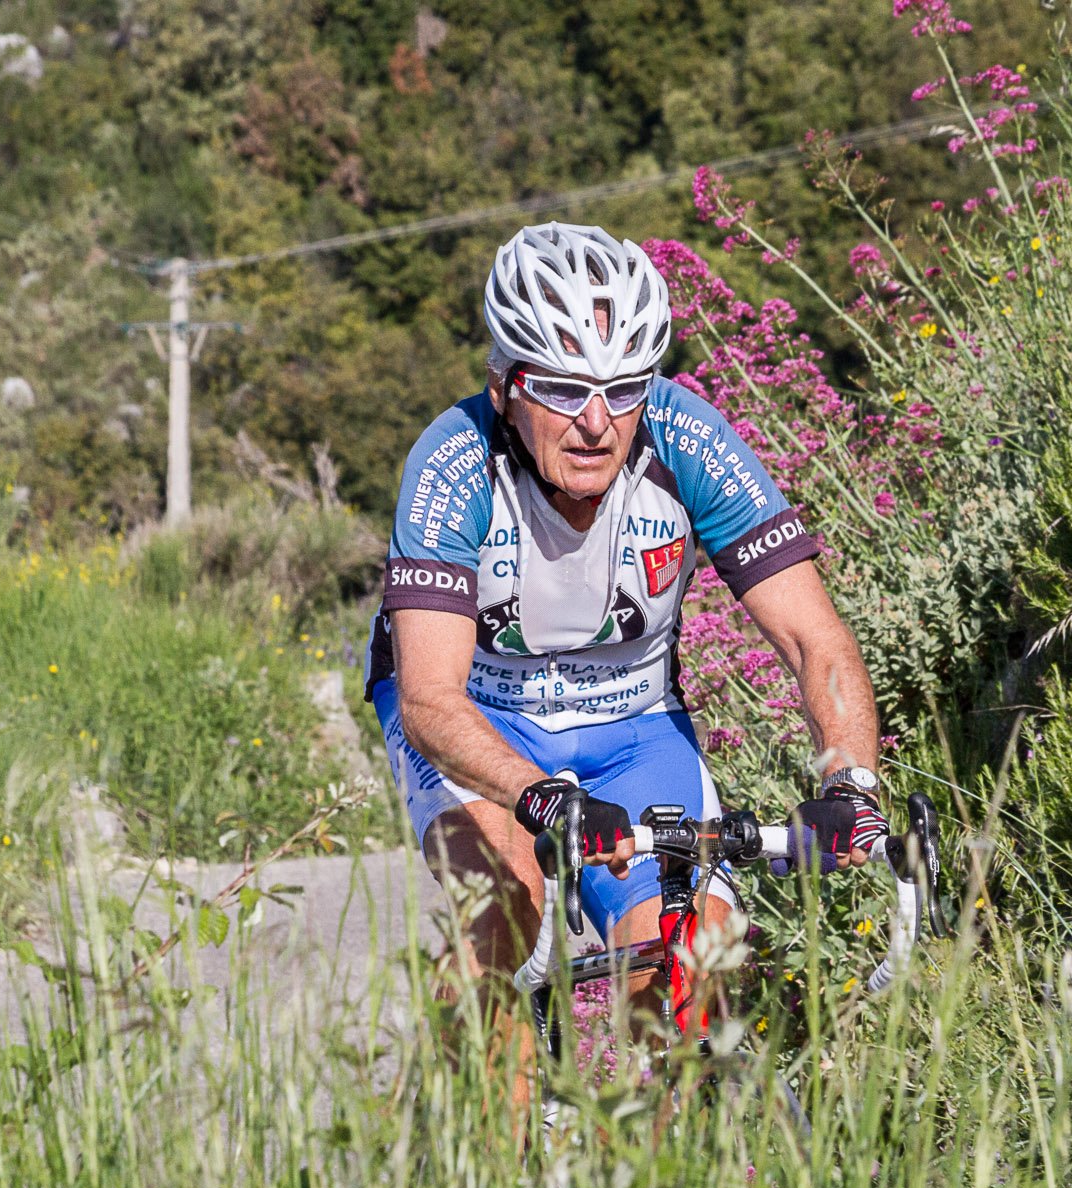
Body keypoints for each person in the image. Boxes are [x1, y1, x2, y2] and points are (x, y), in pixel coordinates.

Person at [365, 221, 886, 1053]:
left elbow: (815, 640)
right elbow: (429, 699)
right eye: (562, 389)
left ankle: (665, 1133)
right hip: (478, 717)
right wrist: (539, 796)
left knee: (699, 962)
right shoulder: (453, 462)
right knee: (503, 909)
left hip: (633, 725)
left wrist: (851, 782)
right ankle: (480, 1133)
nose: (597, 422)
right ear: (503, 387)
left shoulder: (686, 438)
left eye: (624, 387)